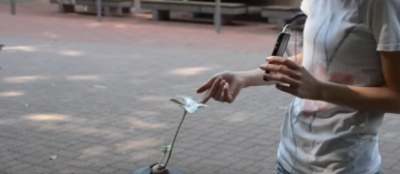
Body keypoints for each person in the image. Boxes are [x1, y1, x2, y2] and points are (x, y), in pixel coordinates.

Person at [196, 0, 400, 173]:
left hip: (342, 165)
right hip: (289, 159)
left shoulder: (382, 4)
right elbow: (314, 58)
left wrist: (321, 90)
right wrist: (244, 78)